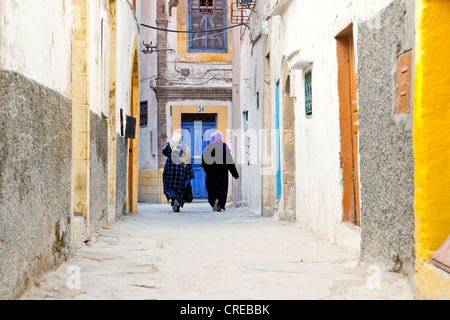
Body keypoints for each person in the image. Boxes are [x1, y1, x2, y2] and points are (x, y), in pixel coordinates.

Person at [202, 131, 239, 212]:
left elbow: (204, 161)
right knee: (222, 189)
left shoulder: (209, 148)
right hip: (223, 174)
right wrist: (234, 173)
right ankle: (219, 204)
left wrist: (206, 170)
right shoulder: (224, 148)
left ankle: (214, 200)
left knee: (211, 189)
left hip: (211, 173)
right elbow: (230, 162)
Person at [162, 133, 195, 212]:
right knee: (180, 188)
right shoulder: (184, 148)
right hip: (181, 172)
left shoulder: (170, 146)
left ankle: (173, 198)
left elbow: (163, 152)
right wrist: (189, 174)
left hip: (170, 170)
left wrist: (169, 144)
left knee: (168, 186)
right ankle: (177, 201)